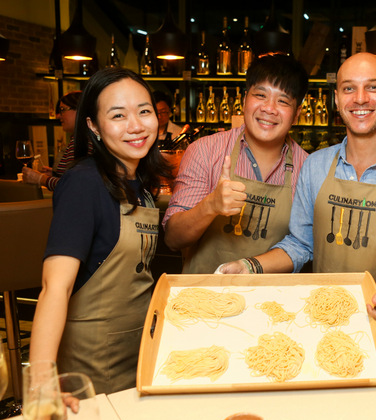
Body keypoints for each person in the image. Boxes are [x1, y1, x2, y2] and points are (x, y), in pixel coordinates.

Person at [219, 53, 376, 375]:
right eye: (349, 89)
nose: (360, 99)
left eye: (372, 87)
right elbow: (302, 245)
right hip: (321, 324)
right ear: (336, 99)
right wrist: (249, 266)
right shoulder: (316, 166)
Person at [29, 68, 171, 394]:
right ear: (93, 125)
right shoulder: (84, 183)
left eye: (144, 111)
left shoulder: (142, 183)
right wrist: (42, 381)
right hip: (92, 362)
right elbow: (54, 287)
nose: (135, 126)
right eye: (118, 115)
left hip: (139, 350)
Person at [162, 54, 310, 274]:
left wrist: (251, 267)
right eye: (260, 95)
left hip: (272, 302)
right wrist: (210, 205)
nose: (269, 108)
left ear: (296, 114)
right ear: (244, 99)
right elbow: (173, 238)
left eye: (283, 101)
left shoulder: (306, 167)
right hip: (202, 299)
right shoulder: (205, 151)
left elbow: (301, 246)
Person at [22, 91, 83, 190]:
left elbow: (74, 186)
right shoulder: (78, 139)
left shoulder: (84, 142)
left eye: (63, 110)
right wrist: (55, 174)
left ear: (80, 110)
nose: (58, 116)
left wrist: (41, 179)